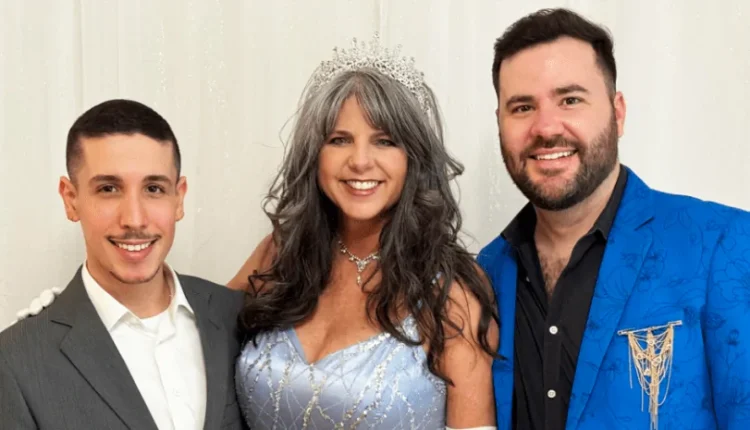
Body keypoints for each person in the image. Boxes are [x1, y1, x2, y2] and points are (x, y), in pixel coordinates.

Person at [478, 7, 750, 430]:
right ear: (500, 123)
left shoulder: (723, 243)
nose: (546, 128)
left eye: (570, 100)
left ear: (617, 112)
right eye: (522, 107)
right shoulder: (485, 273)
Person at [227, 35, 500, 429]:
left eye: (384, 141)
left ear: (414, 158)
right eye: (339, 140)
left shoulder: (450, 291)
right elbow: (194, 349)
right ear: (315, 154)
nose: (359, 161)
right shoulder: (279, 254)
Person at [0, 99, 246, 430]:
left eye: (154, 188)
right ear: (71, 199)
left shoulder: (238, 316)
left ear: (179, 198)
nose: (134, 219)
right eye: (109, 189)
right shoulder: (15, 361)